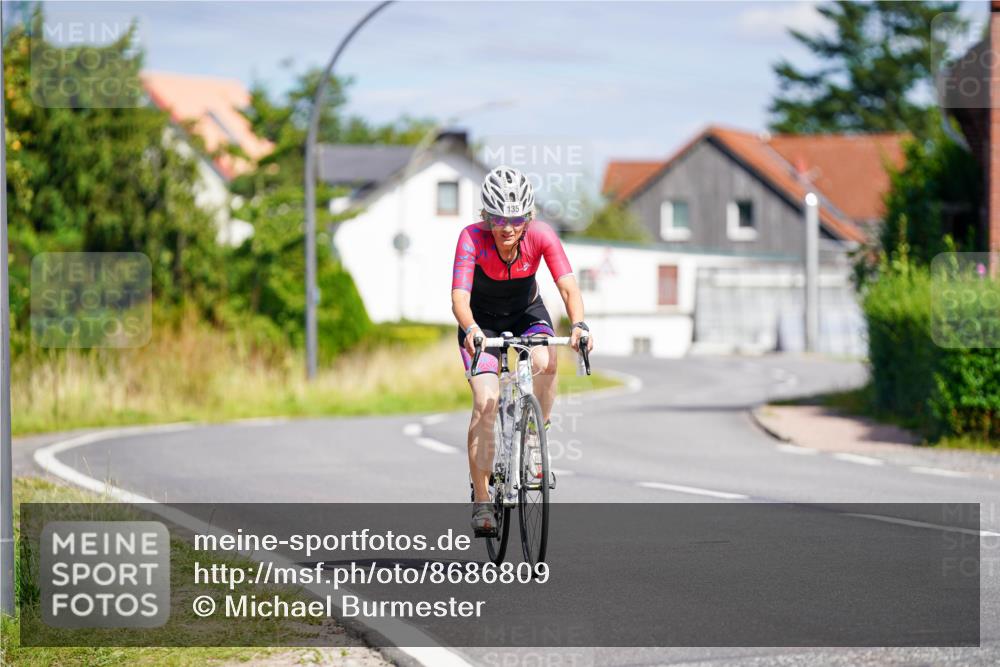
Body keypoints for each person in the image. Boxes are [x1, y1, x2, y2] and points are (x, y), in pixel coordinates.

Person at [451, 165, 593, 536]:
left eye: (516, 219)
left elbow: (567, 288)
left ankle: (533, 438)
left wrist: (578, 324)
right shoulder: (471, 238)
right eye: (498, 219)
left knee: (546, 359)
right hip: (480, 322)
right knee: (486, 401)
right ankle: (482, 500)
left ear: (528, 216)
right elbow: (459, 297)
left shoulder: (542, 235)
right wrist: (471, 329)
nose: (508, 228)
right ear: (486, 217)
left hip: (526, 312)